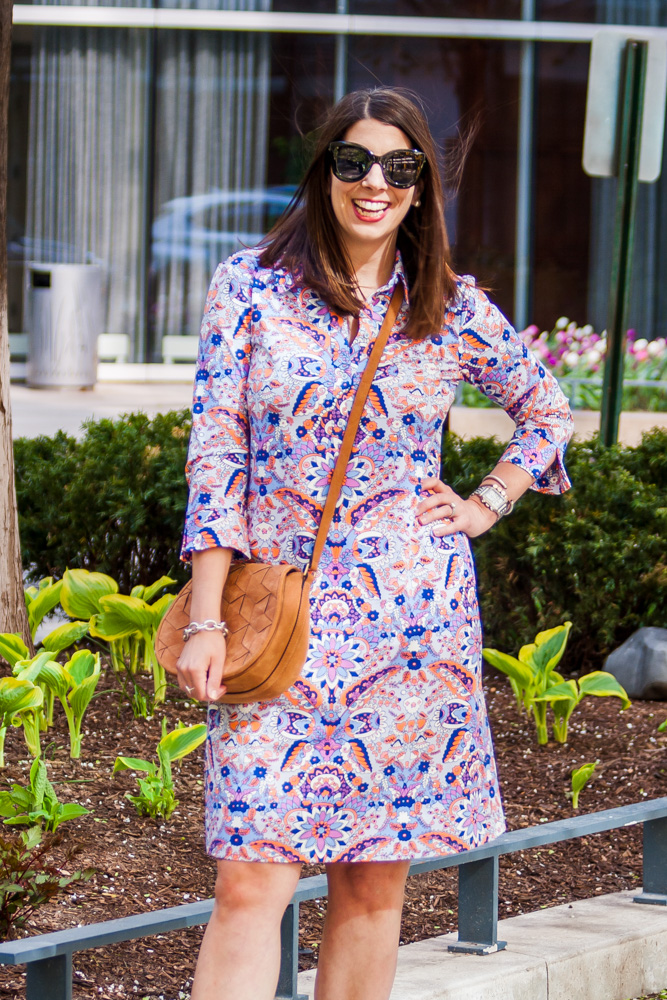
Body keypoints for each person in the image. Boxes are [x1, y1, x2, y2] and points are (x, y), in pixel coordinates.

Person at [176, 87, 574, 1000]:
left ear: (423, 188)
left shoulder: (448, 306)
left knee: (371, 882)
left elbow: (546, 412)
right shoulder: (250, 289)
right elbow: (216, 456)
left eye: (400, 170)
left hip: (410, 632)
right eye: (353, 162)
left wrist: (485, 503)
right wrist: (205, 619)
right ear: (323, 173)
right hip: (281, 623)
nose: (374, 185)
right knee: (250, 877)